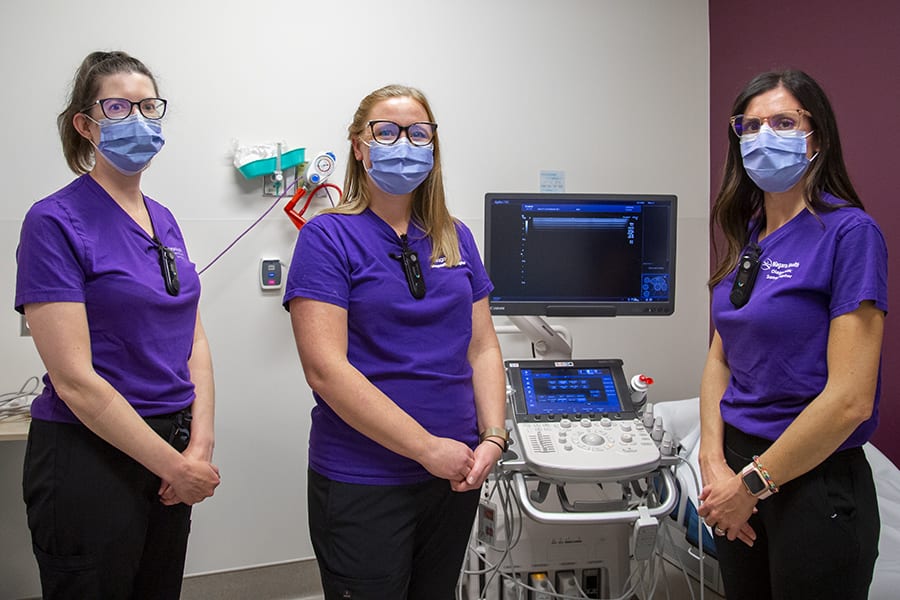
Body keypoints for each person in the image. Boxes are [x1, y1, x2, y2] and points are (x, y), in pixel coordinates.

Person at [283, 84, 507, 599]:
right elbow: (325, 369)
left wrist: (493, 435)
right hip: (365, 476)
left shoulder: (455, 237)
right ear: (359, 146)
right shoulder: (328, 237)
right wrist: (427, 449)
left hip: (456, 474)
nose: (403, 142)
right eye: (385, 131)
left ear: (433, 146)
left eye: (417, 132)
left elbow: (483, 346)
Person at [14, 51, 220, 599]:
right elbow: (76, 381)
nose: (139, 119)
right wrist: (174, 467)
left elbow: (193, 338)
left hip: (171, 448)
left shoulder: (164, 218)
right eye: (118, 107)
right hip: (91, 453)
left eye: (149, 106)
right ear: (86, 124)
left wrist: (198, 446)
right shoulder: (54, 221)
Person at [697, 69, 886, 600]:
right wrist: (714, 461)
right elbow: (720, 357)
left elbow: (850, 400)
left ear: (816, 137)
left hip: (810, 480)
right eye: (751, 126)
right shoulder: (750, 233)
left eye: (783, 122)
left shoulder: (850, 234)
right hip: (736, 473)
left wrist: (751, 485)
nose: (763, 137)